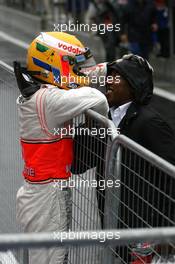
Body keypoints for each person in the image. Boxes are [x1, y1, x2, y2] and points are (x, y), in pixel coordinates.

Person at [14, 31, 108, 264]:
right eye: (73, 64)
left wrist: (100, 69)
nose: (79, 71)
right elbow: (98, 98)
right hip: (46, 197)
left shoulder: (38, 94)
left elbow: (81, 82)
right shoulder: (49, 101)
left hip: (43, 193)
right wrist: (98, 122)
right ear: (53, 63)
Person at [106, 54, 175, 263]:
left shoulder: (151, 123)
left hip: (145, 227)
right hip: (116, 221)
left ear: (133, 85)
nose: (109, 80)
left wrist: (168, 229)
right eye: (109, 76)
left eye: (117, 77)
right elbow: (78, 165)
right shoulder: (105, 118)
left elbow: (171, 176)